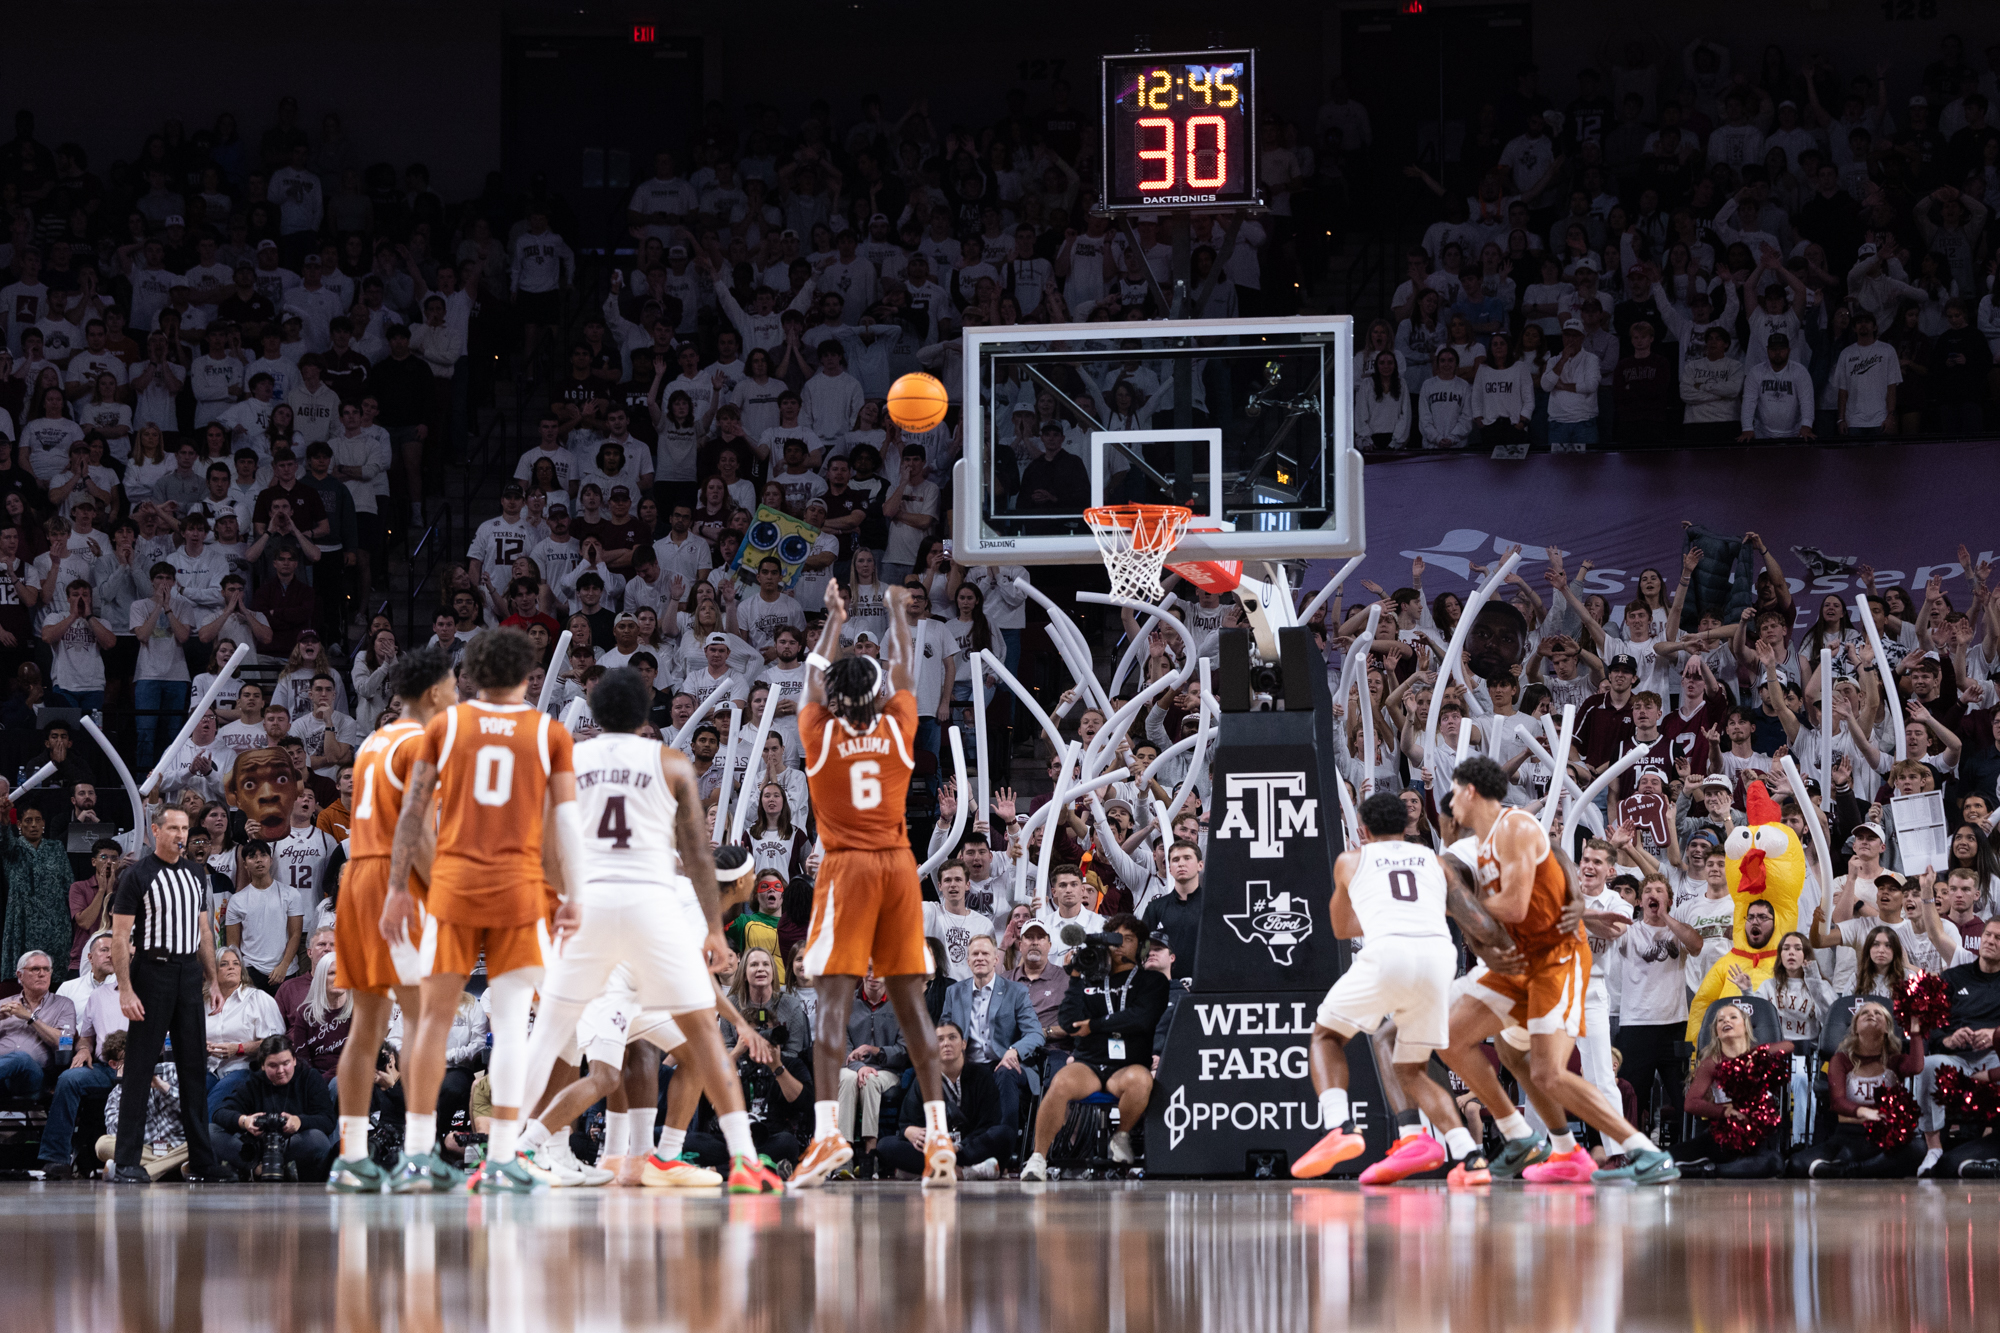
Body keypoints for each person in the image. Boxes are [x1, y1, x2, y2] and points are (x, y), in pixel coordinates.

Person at [509, 667, 783, 1194]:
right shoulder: (669, 761)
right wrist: (712, 928)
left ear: (593, 712)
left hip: (589, 907)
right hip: (648, 903)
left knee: (552, 1039)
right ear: (645, 713)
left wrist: (567, 898)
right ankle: (745, 1160)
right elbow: (698, 855)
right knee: (703, 1037)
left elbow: (545, 852)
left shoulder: (568, 762)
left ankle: (508, 1152)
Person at [382, 627, 583, 1194]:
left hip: (454, 887)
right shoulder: (549, 732)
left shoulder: (446, 726)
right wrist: (573, 895)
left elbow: (412, 812)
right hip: (519, 890)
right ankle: (501, 1158)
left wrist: (398, 888)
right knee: (514, 1025)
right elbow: (563, 824)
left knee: (432, 1022)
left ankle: (418, 1153)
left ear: (470, 673)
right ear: (526, 675)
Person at [1434, 756, 1678, 1184]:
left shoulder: (1515, 827)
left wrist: (1452, 899)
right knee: (1451, 1036)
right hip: (1518, 963)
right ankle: (1536, 1141)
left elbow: (1512, 905)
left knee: (1550, 1071)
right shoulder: (1485, 842)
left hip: (1555, 961)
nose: (1449, 804)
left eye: (1453, 793)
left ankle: (1644, 1152)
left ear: (1470, 792)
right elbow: (1559, 864)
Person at [788, 583, 955, 1189]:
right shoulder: (898, 727)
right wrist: (894, 615)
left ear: (833, 699)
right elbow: (906, 667)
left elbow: (810, 676)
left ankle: (827, 1135)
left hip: (846, 868)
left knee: (832, 1005)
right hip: (898, 868)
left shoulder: (817, 732)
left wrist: (833, 621)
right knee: (913, 1007)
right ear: (880, 695)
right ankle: (939, 1136)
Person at [1292, 792, 1520, 1184]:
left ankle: (1340, 1127)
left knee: (1326, 1036)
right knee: (1408, 1065)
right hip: (1437, 958)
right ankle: (1465, 1155)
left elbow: (1342, 929)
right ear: (1404, 826)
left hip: (1389, 952)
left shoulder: (1351, 859)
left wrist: (1384, 912)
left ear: (1362, 830)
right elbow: (1478, 922)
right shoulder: (1435, 862)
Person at [325, 645, 464, 1192]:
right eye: (453, 687)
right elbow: (420, 830)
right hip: (397, 880)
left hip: (357, 878)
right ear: (434, 693)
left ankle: (352, 1158)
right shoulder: (425, 741)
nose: (457, 696)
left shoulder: (373, 742)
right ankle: (417, 1156)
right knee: (425, 1020)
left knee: (366, 1027)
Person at [104, 805, 231, 1183]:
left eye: (185, 828)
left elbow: (205, 932)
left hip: (188, 973)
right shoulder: (137, 875)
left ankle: (203, 1162)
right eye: (173, 827)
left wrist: (213, 980)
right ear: (155, 831)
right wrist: (126, 989)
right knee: (140, 1067)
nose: (181, 834)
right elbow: (121, 937)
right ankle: (127, 1161)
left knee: (194, 1068)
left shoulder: (195, 874)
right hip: (151, 971)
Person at [1019, 913, 1167, 1181]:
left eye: (1128, 939)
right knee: (1060, 1083)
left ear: (1141, 946)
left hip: (1127, 1065)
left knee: (1141, 1081)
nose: (1120, 945)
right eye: (1115, 939)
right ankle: (1038, 1158)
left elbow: (1141, 1018)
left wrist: (1096, 1025)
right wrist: (1075, 976)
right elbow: (1067, 1021)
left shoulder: (1153, 981)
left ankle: (1121, 1136)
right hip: (1088, 1063)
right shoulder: (1090, 979)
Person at [1788, 998, 1929, 1178]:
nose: (1872, 1015)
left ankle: (1848, 1171)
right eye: (1865, 1013)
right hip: (1849, 1136)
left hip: (1885, 1137)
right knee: (1796, 1164)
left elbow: (1917, 1066)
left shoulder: (1895, 1060)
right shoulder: (1841, 1060)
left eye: (1878, 1013)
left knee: (1918, 1148)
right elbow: (1838, 1103)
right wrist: (1864, 1112)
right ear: (1855, 1028)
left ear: (1887, 1028)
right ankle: (1864, 1168)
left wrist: (1916, 1032)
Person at [1672, 999, 1792, 1178]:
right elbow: (1690, 1103)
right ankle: (1713, 1167)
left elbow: (1788, 1046)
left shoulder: (1759, 1056)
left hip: (1754, 1139)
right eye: (1720, 1020)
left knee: (1774, 1162)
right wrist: (1725, 1110)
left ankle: (1710, 1170)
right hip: (1721, 1135)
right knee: (1667, 1158)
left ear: (1745, 1026)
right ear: (1716, 1033)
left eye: (1733, 1017)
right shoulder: (1712, 1062)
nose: (1725, 1021)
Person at [874, 1020, 1006, 1181]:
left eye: (952, 1038)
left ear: (963, 1044)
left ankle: (925, 1170)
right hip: (935, 1149)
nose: (946, 1044)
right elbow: (906, 1122)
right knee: (885, 1145)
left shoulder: (982, 1076)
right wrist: (909, 1131)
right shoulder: (923, 1079)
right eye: (940, 1039)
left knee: (1004, 1133)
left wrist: (959, 1146)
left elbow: (989, 1124)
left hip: (967, 1149)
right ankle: (964, 1172)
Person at [940, 934, 1042, 1136]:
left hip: (1002, 1063)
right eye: (975, 954)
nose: (980, 958)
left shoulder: (1016, 991)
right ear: (968, 961)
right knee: (928, 1073)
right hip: (968, 1064)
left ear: (996, 960)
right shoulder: (954, 992)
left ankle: (1004, 1144)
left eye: (985, 953)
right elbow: (944, 1031)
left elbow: (1036, 1033)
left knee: (1005, 1072)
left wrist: (1014, 1051)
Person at [209, 1033, 336, 1181]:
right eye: (273, 1065)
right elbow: (219, 1112)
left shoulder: (310, 1078)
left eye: (286, 1063)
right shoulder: (254, 1081)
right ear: (262, 1066)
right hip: (258, 1147)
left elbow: (327, 1119)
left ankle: (276, 1169)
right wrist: (244, 1121)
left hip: (292, 1144)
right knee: (210, 1132)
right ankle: (257, 1169)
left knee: (317, 1140)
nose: (281, 1070)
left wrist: (300, 1122)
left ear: (294, 1060)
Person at [0, 950, 76, 1098]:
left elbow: (65, 1043)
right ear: (20, 975)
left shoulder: (64, 1005)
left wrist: (30, 1018)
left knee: (20, 1059)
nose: (42, 974)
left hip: (34, 1077)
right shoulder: (4, 1004)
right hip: (2, 1079)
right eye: (35, 969)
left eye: (46, 969)